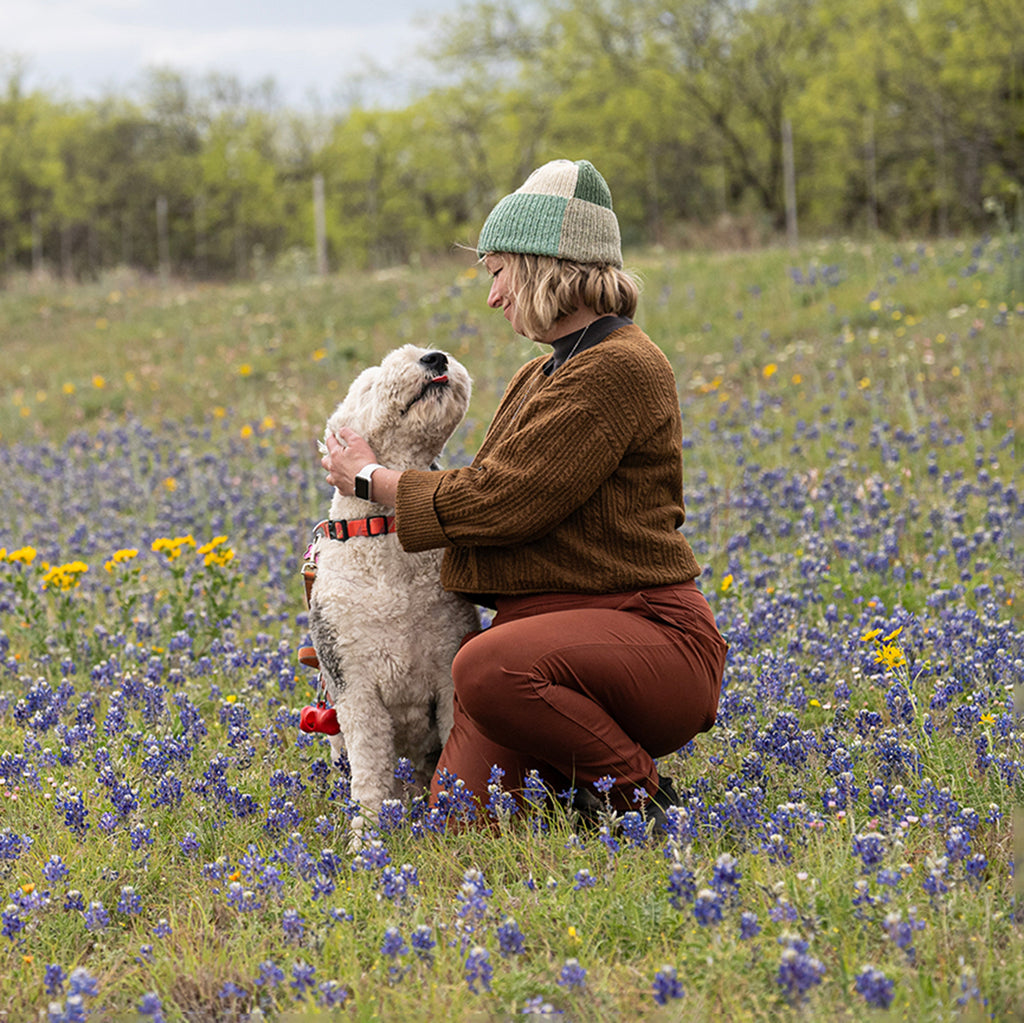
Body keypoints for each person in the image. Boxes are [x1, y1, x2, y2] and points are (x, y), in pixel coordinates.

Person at [321, 158, 727, 821]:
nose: (493, 296)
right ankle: (575, 778)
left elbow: (501, 501)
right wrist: (351, 573)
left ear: (544, 263)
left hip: (645, 635)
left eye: (498, 272)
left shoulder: (621, 366)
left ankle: (640, 798)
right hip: (543, 644)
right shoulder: (537, 376)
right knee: (461, 813)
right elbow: (479, 519)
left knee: (486, 665)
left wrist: (373, 479)